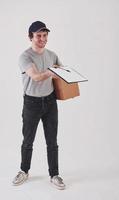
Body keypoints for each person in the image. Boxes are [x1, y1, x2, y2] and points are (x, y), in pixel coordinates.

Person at [12, 21, 66, 190]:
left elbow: (62, 72)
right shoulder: (25, 57)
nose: (42, 39)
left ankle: (54, 174)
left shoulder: (52, 54)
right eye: (38, 36)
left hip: (50, 102)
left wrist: (66, 74)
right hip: (32, 103)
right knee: (28, 141)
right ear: (31, 37)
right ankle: (24, 170)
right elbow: (35, 76)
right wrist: (52, 72)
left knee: (52, 141)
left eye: (45, 35)